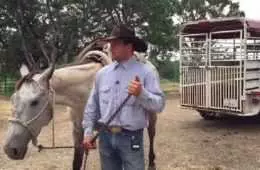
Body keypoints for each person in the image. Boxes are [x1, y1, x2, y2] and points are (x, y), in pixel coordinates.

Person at [82, 24, 165, 170]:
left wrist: (142, 94)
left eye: (115, 43)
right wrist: (88, 132)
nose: (110, 47)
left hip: (131, 138)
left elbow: (159, 105)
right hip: (105, 138)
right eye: (110, 43)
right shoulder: (102, 74)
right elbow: (92, 106)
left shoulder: (146, 72)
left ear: (129, 46)